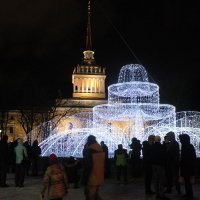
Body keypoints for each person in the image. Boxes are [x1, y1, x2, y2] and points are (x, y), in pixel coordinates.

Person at [82, 135, 105, 200]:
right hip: (99, 175)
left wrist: (85, 177)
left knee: (90, 195)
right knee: (95, 194)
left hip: (92, 177)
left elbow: (88, 165)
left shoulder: (90, 150)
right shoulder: (100, 149)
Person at [179, 134, 196, 200]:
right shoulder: (185, 146)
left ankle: (190, 195)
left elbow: (191, 157)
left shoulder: (188, 146)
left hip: (188, 167)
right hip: (185, 167)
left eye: (181, 139)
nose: (180, 141)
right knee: (186, 182)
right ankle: (188, 193)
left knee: (188, 182)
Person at [152, 136, 169, 200]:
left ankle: (157, 194)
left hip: (154, 165)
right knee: (161, 180)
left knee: (156, 180)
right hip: (160, 165)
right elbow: (165, 154)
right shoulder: (161, 146)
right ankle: (162, 195)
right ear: (160, 140)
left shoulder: (152, 147)